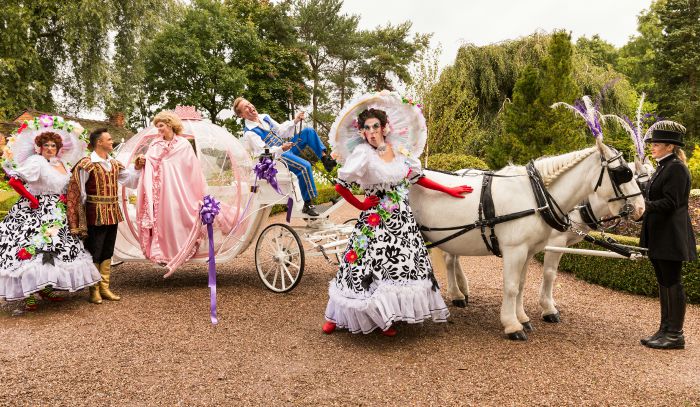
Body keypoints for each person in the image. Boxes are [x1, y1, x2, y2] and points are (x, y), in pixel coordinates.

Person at [322, 108, 474, 336]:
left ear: (384, 128)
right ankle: (335, 316)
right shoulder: (362, 154)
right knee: (359, 264)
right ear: (362, 133)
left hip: (401, 220)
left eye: (375, 127)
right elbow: (340, 186)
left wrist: (448, 189)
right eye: (367, 128)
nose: (371, 132)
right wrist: (362, 205)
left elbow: (417, 178)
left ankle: (387, 316)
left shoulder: (399, 151)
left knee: (397, 266)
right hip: (374, 219)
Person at [0, 130, 100, 310]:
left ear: (58, 148)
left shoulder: (61, 163)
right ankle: (29, 294)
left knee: (54, 251)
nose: (50, 148)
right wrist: (32, 200)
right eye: (46, 145)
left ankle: (45, 288)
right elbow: (14, 181)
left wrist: (64, 199)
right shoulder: (36, 161)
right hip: (36, 212)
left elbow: (66, 186)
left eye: (53, 145)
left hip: (58, 213)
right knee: (32, 250)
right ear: (39, 147)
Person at [67, 128, 144, 304]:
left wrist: (138, 168)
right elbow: (77, 190)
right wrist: (79, 216)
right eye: (109, 139)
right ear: (99, 142)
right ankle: (93, 290)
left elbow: (130, 180)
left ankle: (105, 287)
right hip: (94, 212)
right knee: (95, 249)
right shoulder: (87, 164)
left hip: (112, 211)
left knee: (108, 250)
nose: (112, 141)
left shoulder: (114, 164)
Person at [639, 128, 696, 349]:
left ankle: (675, 334)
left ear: (670, 146)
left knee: (672, 281)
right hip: (661, 234)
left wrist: (644, 207)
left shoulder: (676, 169)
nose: (652, 147)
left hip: (671, 235)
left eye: (656, 144)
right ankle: (664, 329)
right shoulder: (664, 167)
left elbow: (672, 202)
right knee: (664, 282)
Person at [233, 97, 337, 217]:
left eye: (249, 104)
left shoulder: (265, 117)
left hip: (286, 149)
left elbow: (281, 131)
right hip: (277, 159)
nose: (250, 107)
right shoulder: (250, 133)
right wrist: (281, 148)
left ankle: (325, 159)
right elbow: (263, 154)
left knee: (308, 131)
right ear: (241, 115)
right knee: (305, 166)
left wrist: (295, 120)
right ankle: (307, 204)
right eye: (245, 107)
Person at [135, 111, 207, 271]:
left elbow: (192, 169)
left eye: (161, 126)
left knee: (178, 217)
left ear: (170, 125)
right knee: (163, 221)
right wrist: (143, 161)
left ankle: (180, 249)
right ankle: (163, 254)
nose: (158, 130)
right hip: (160, 191)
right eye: (157, 126)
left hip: (179, 189)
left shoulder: (183, 144)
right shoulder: (155, 145)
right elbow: (149, 163)